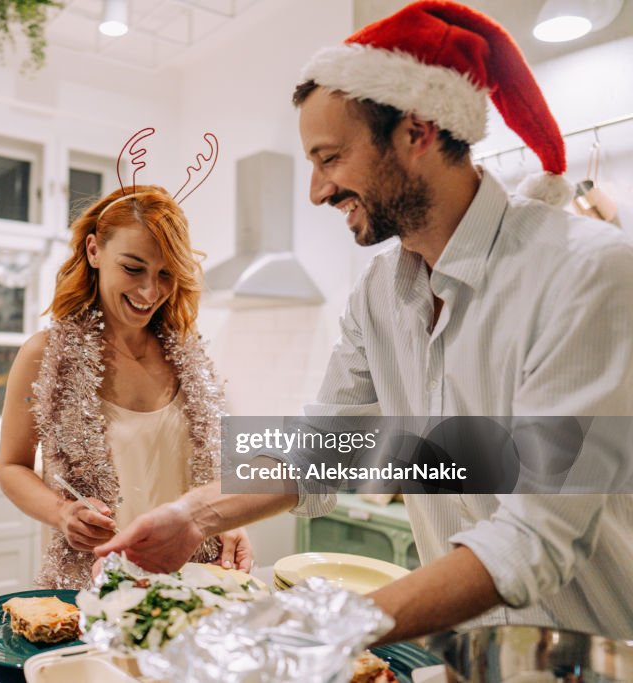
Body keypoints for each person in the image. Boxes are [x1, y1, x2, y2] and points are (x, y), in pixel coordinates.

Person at [97, 0, 633, 643]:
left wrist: (320, 631)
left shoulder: (586, 271)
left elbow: (535, 536)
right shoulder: (379, 294)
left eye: (329, 158)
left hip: (590, 657)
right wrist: (192, 514)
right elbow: (321, 449)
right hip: (461, 658)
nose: (317, 191)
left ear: (418, 131)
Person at [0, 182, 253, 590]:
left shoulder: (188, 356)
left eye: (165, 274)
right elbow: (11, 467)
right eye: (133, 268)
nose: (150, 292)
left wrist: (226, 522)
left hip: (191, 586)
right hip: (92, 589)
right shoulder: (45, 356)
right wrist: (62, 513)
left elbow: (205, 472)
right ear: (94, 250)